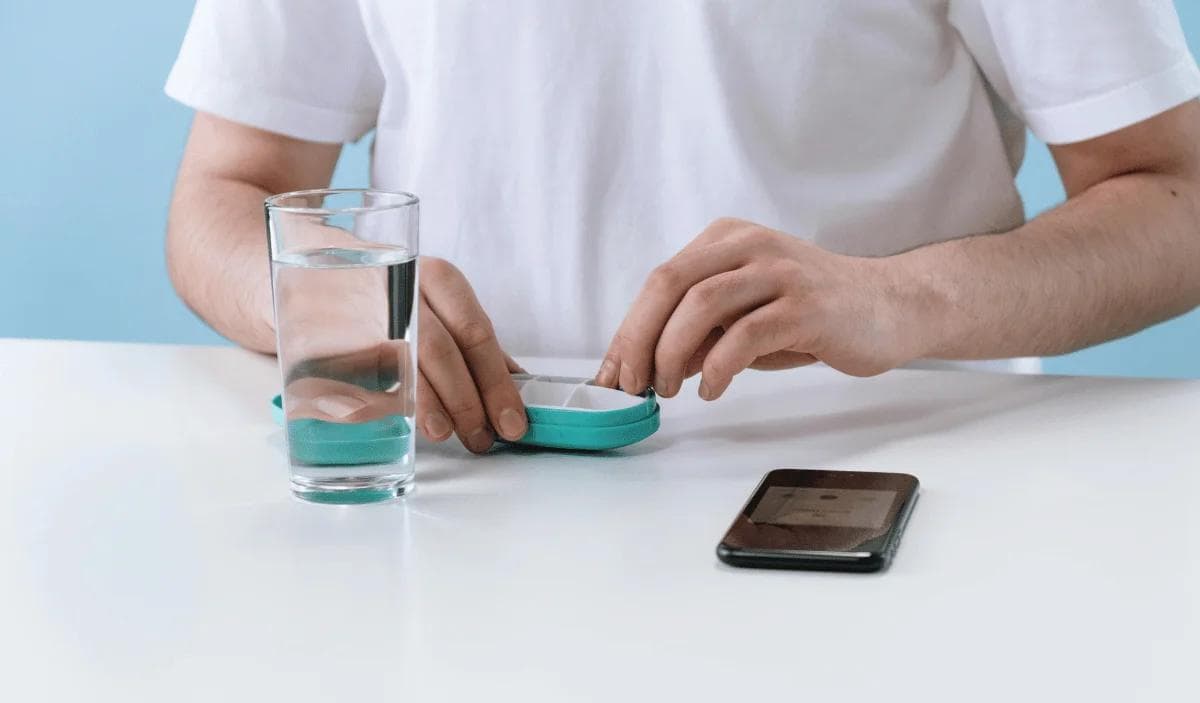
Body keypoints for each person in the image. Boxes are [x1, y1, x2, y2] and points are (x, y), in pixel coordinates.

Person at [165, 1, 1200, 454]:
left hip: (873, 496)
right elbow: (227, 187)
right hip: (458, 493)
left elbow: (1174, 193)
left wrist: (901, 296)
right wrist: (329, 298)